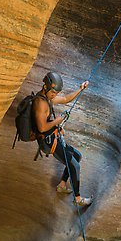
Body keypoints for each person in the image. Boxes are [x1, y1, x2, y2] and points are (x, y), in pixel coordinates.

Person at [32, 71, 93, 207]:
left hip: (53, 137)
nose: (55, 95)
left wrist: (81, 88)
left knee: (77, 157)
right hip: (48, 143)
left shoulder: (47, 98)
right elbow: (42, 128)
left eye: (56, 92)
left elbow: (66, 99)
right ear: (46, 87)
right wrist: (58, 121)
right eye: (53, 92)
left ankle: (62, 185)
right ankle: (78, 200)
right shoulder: (40, 103)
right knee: (74, 165)